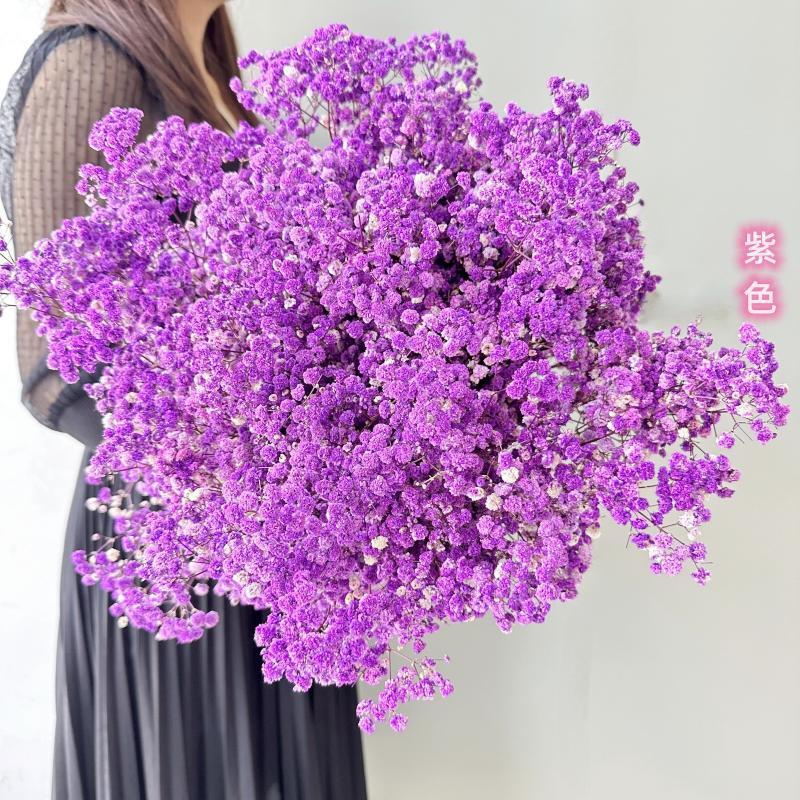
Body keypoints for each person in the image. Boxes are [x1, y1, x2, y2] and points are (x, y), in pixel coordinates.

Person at [0, 2, 368, 798]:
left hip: (280, 534)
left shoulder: (216, 69)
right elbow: (54, 363)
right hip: (177, 549)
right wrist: (223, 471)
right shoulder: (94, 61)